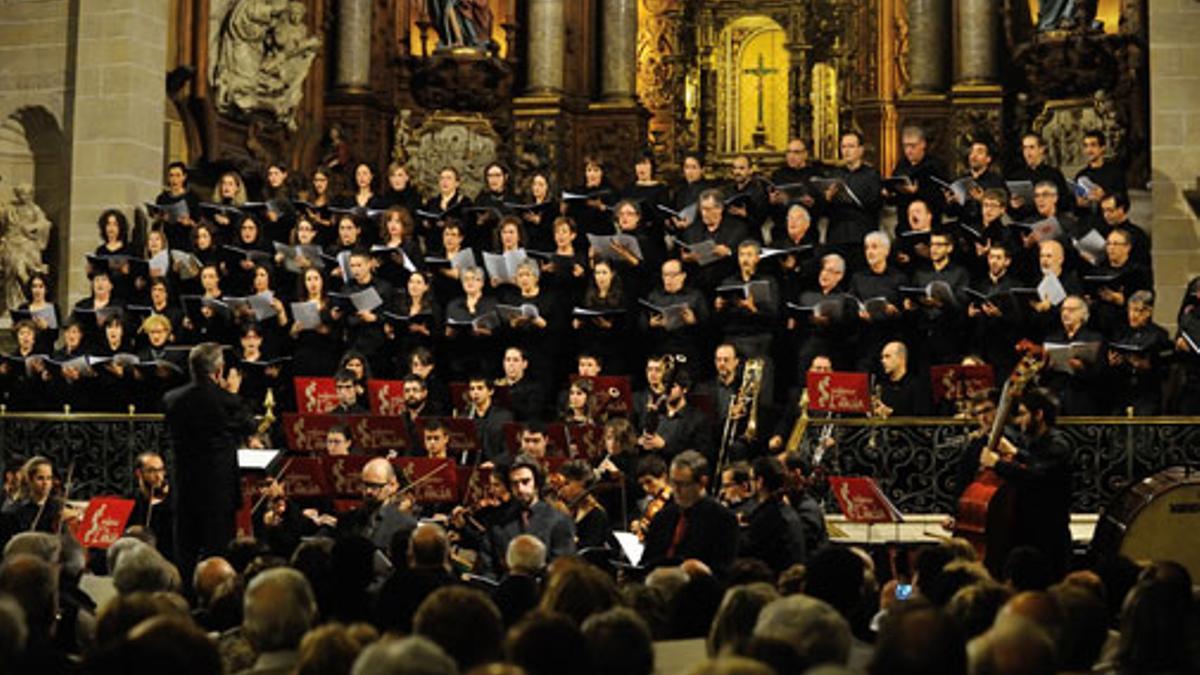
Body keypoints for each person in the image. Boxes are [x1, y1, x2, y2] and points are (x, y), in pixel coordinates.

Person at [163, 342, 256, 582]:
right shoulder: (228, 401)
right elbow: (249, 425)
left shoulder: (171, 399)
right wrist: (232, 392)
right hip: (218, 494)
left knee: (185, 556)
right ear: (219, 370)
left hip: (185, 491)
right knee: (218, 557)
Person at [978, 387, 1072, 578]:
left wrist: (997, 464)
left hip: (1048, 537)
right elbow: (1034, 460)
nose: (1018, 420)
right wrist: (1016, 453)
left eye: (1022, 414)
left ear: (1039, 414)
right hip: (1033, 532)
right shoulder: (1037, 442)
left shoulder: (1058, 444)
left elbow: (1036, 476)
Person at [641, 450, 739, 573]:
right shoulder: (663, 516)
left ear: (702, 482)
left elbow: (724, 570)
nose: (675, 490)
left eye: (682, 484)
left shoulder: (723, 520)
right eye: (673, 483)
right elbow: (647, 561)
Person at [479, 454, 575, 576]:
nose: (520, 489)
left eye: (526, 482)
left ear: (536, 483)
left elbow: (563, 568)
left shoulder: (559, 520)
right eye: (515, 484)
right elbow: (487, 567)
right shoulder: (496, 521)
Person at [740, 455, 808, 573]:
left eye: (751, 479)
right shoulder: (785, 509)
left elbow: (747, 552)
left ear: (760, 481)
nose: (749, 484)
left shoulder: (769, 517)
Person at [337, 457, 418, 552]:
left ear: (393, 485)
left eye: (375, 486)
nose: (368, 491)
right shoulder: (346, 520)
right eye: (365, 485)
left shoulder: (406, 524)